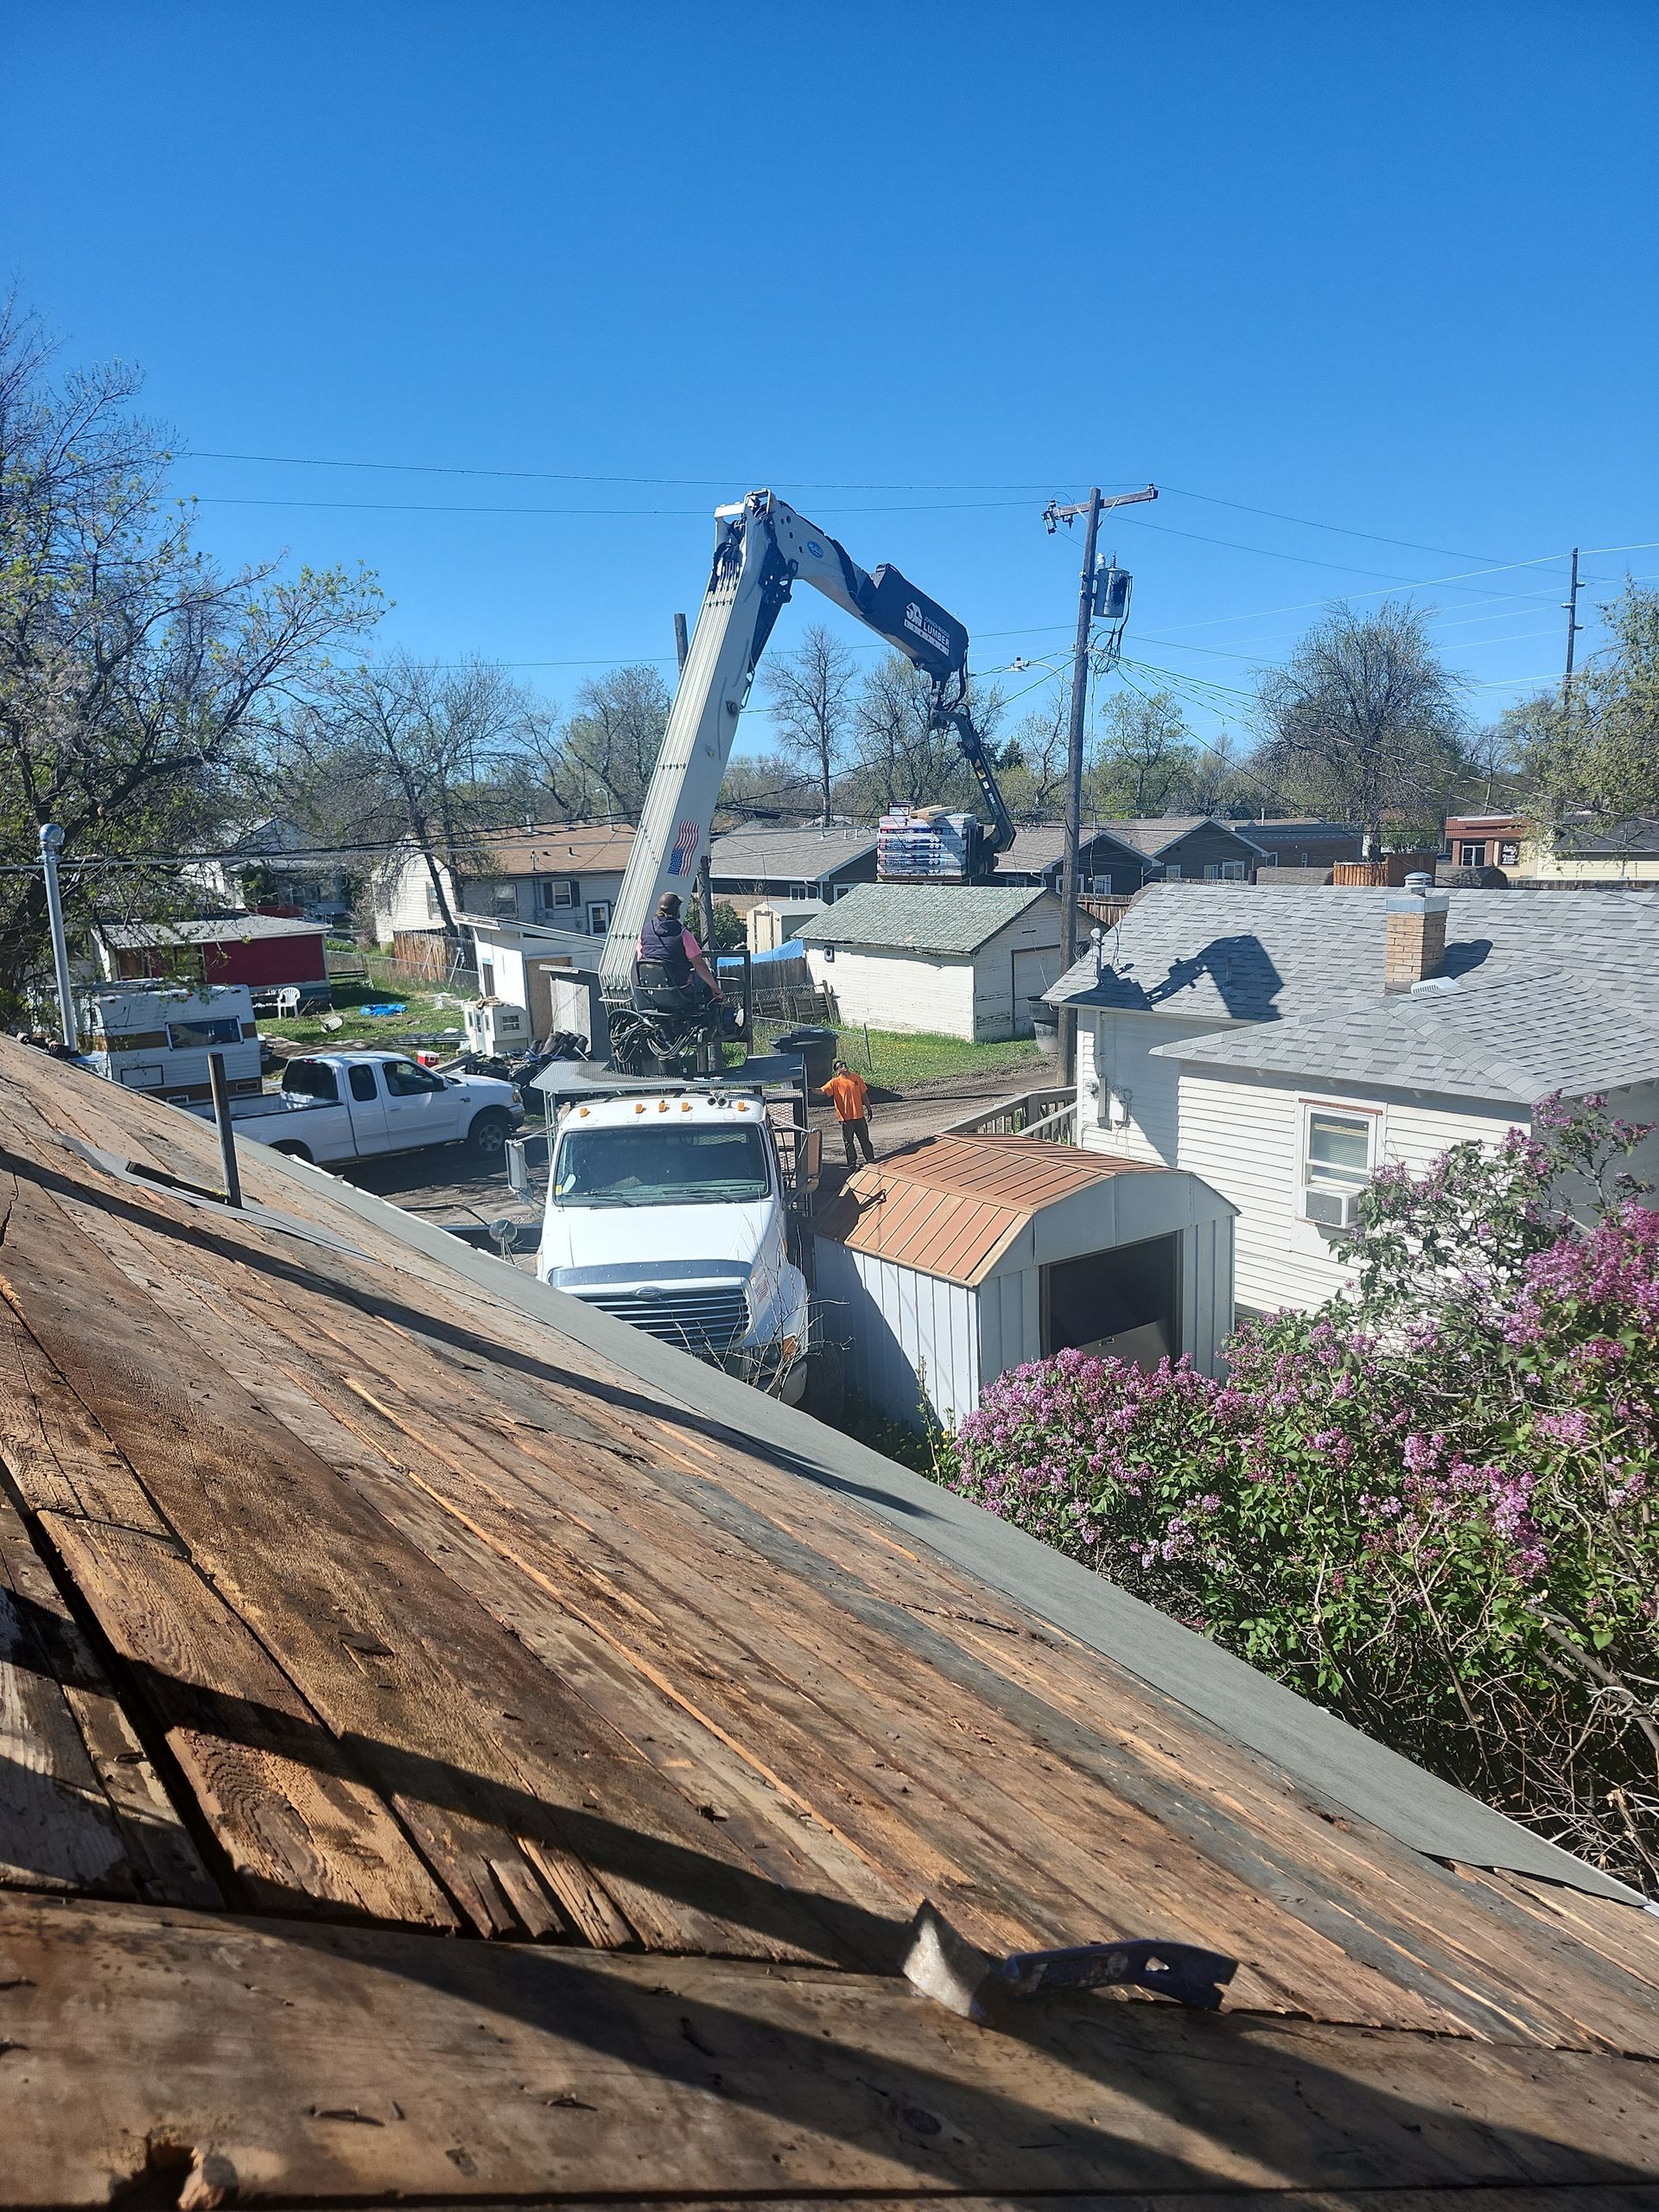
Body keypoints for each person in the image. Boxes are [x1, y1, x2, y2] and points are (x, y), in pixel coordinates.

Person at [635, 892, 723, 1006]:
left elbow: (641, 958)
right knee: (709, 974)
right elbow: (699, 965)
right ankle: (710, 1013)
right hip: (679, 988)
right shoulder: (682, 933)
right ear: (677, 910)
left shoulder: (645, 931)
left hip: (653, 988)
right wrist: (716, 989)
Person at [822, 1057, 875, 1166]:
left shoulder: (856, 1078)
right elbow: (822, 1091)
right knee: (848, 1142)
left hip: (859, 1116)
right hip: (845, 1118)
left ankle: (871, 1160)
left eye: (844, 1064)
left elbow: (864, 1094)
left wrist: (869, 1108)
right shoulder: (835, 1082)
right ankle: (851, 1163)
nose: (844, 1066)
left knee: (865, 1140)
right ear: (837, 1071)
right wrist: (809, 1090)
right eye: (840, 1066)